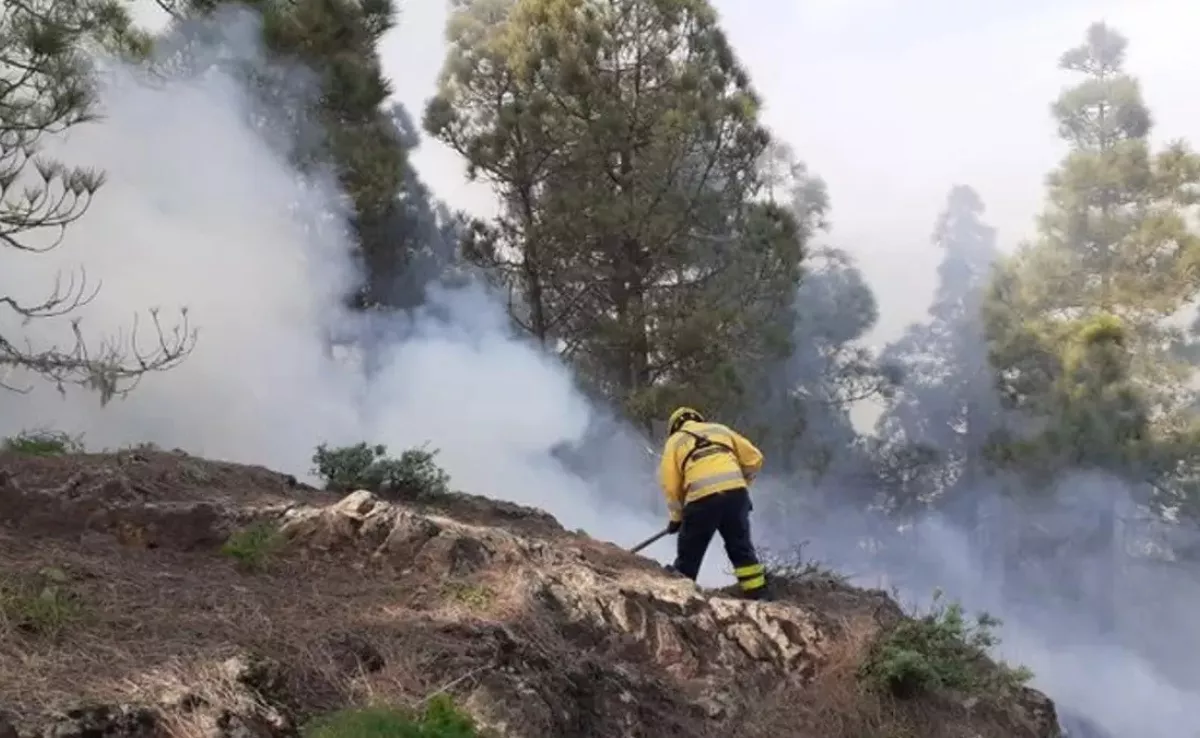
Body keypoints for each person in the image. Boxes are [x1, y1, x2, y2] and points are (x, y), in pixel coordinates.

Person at [657, 406, 769, 600]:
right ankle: (757, 594)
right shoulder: (719, 429)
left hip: (702, 500)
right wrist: (741, 484)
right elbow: (754, 459)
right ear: (699, 420)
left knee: (690, 551)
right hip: (736, 497)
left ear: (674, 427)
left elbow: (671, 484)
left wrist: (676, 517)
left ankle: (681, 595)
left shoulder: (675, 441)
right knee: (741, 547)